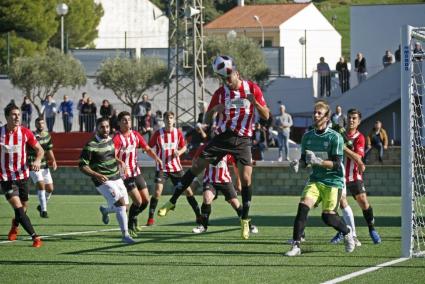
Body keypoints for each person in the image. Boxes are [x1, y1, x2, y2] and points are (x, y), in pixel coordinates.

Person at [157, 55, 269, 240]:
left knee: (246, 179)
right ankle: (172, 201)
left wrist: (255, 103)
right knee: (196, 167)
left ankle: (245, 220)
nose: (227, 81)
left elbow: (266, 116)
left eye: (229, 77)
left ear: (237, 73)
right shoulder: (220, 93)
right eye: (224, 78)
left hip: (243, 140)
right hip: (223, 138)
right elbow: (206, 122)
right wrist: (213, 112)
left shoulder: (252, 88)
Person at [286, 100, 355, 256]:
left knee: (328, 217)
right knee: (303, 206)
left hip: (333, 181)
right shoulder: (307, 136)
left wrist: (319, 161)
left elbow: (337, 164)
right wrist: (298, 163)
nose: (315, 115)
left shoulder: (335, 137)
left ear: (327, 117)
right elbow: (305, 160)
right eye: (314, 112)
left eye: (319, 113)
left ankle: (347, 232)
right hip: (316, 179)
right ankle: (296, 246)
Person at [329, 109, 381, 245]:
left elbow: (358, 157)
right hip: (339, 175)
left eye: (354, 118)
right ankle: (346, 232)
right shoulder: (338, 134)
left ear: (359, 121)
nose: (351, 120)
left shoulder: (360, 138)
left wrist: (344, 148)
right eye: (350, 118)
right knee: (340, 203)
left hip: (354, 175)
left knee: (363, 202)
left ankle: (372, 228)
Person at [79, 117, 135, 244]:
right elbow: (82, 165)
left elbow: (111, 155)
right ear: (97, 128)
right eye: (102, 127)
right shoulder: (91, 145)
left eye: (107, 127)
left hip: (116, 177)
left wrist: (120, 161)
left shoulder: (110, 140)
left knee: (124, 207)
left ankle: (105, 210)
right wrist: (96, 174)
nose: (105, 129)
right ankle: (125, 235)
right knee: (120, 204)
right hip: (103, 180)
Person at [109, 111, 162, 237]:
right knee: (137, 201)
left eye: (129, 119)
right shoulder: (117, 138)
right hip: (125, 174)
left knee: (145, 201)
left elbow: (147, 149)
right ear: (119, 123)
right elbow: (112, 156)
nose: (127, 122)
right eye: (124, 120)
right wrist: (121, 162)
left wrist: (156, 158)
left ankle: (133, 218)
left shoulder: (136, 135)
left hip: (135, 171)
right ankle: (130, 225)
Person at [146, 111, 201, 226]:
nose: (169, 120)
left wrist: (179, 152)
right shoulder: (158, 133)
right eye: (167, 118)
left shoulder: (178, 133)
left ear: (174, 120)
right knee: (157, 192)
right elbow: (148, 148)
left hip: (176, 168)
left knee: (188, 191)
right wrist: (156, 158)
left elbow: (184, 147)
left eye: (171, 118)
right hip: (162, 168)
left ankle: (198, 215)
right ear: (164, 120)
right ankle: (150, 218)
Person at [1, 104, 44, 247]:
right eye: (13, 114)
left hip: (23, 176)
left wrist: (37, 160)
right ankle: (35, 237)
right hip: (6, 177)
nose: (17, 117)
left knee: (24, 207)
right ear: (7, 117)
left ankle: (15, 225)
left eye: (18, 114)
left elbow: (40, 150)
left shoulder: (25, 133)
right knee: (18, 207)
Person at [191, 153, 258, 235]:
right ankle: (203, 226)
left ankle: (248, 225)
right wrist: (195, 177)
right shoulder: (206, 148)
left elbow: (235, 165)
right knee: (207, 198)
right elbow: (196, 160)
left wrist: (239, 181)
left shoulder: (227, 150)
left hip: (225, 181)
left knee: (235, 203)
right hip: (210, 180)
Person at [28, 117, 57, 218]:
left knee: (50, 188)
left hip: (44, 165)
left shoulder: (47, 135)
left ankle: (40, 206)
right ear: (35, 125)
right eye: (38, 123)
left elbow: (49, 149)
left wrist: (53, 160)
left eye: (42, 123)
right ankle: (44, 211)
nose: (41, 125)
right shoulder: (31, 135)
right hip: (32, 164)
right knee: (41, 185)